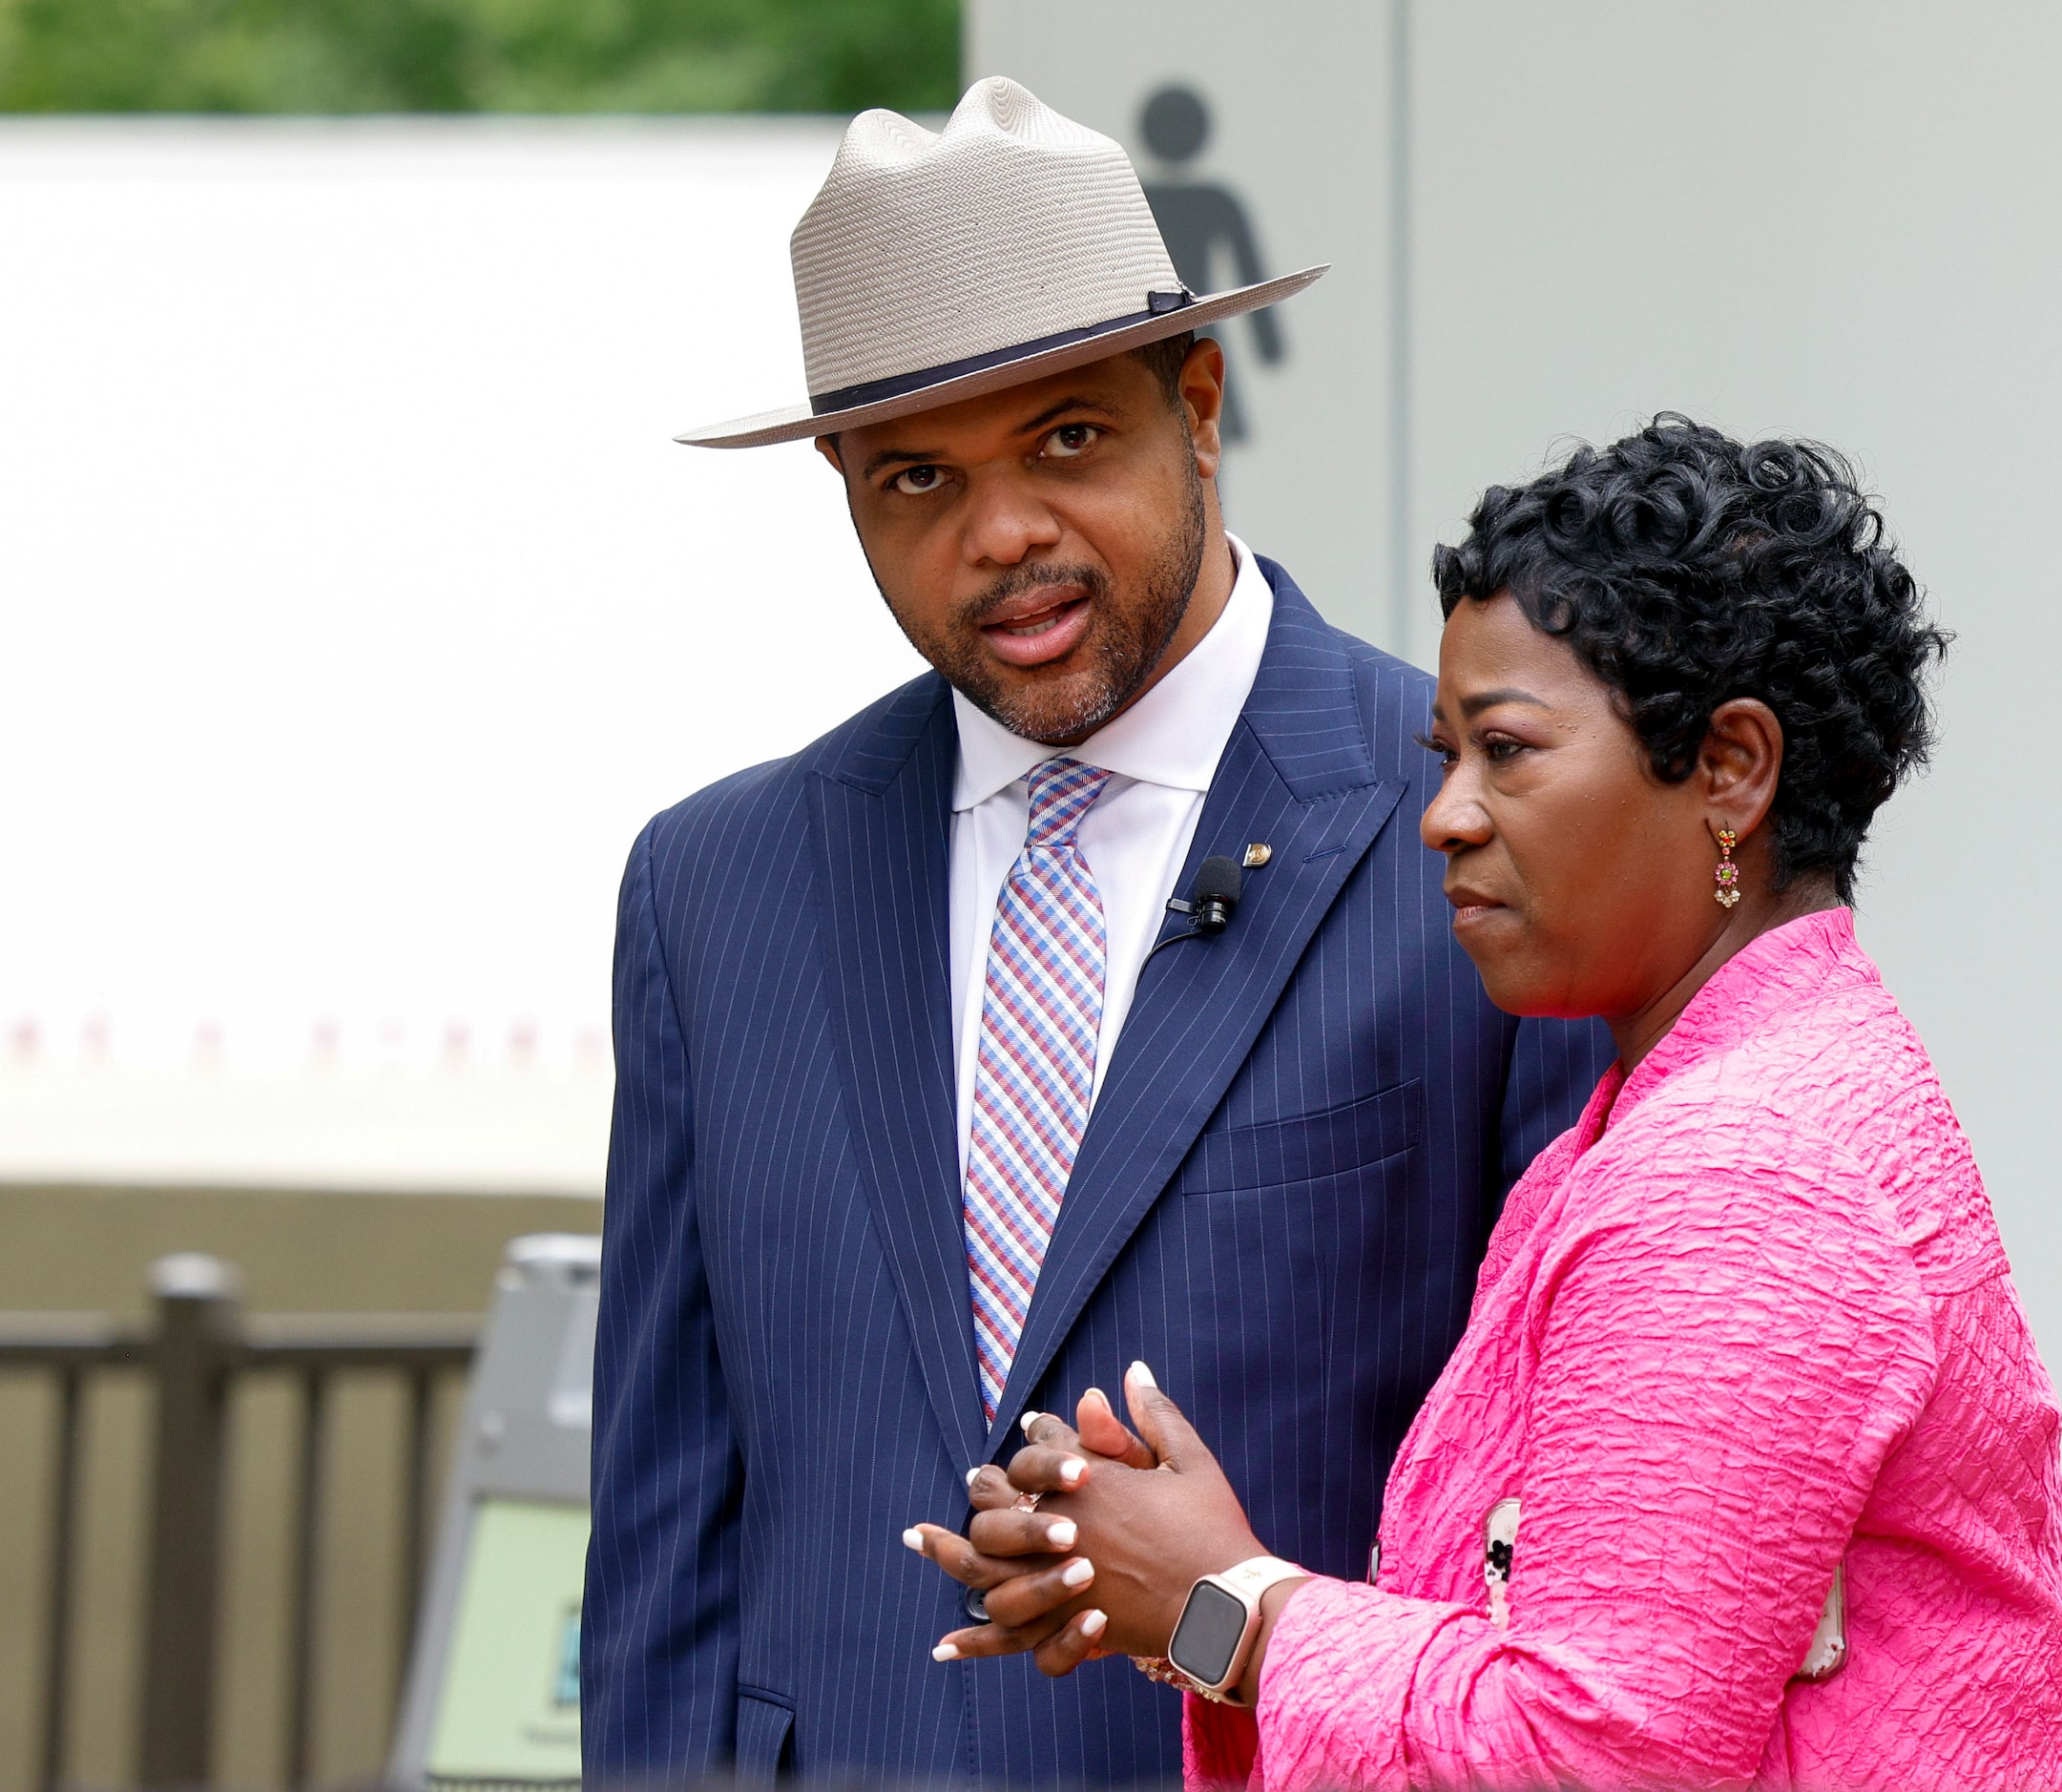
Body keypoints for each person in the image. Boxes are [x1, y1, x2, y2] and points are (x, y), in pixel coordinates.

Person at [580, 77, 1612, 1783]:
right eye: (916, 474)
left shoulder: (1472, 829)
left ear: (1197, 403)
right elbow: (663, 1538)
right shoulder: (712, 887)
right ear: (842, 484)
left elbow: (1562, 1521)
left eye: (1066, 438)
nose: (1001, 535)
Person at [916, 417, 2062, 1790]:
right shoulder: (1681, 1115)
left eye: (1506, 749)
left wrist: (1221, 1601)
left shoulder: (1740, 1177)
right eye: (1446, 754)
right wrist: (1165, 1575)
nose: (1446, 815)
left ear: (1728, 769)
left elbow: (1589, 1749)